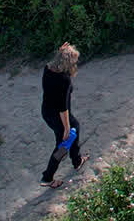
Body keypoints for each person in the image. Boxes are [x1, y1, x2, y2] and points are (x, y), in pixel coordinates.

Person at [39, 42, 88, 187]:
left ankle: (77, 160)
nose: (75, 64)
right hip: (58, 115)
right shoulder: (64, 80)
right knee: (62, 145)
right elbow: (63, 108)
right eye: (74, 61)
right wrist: (66, 128)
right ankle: (47, 177)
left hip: (46, 111)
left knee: (75, 129)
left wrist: (63, 50)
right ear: (68, 63)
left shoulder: (48, 69)